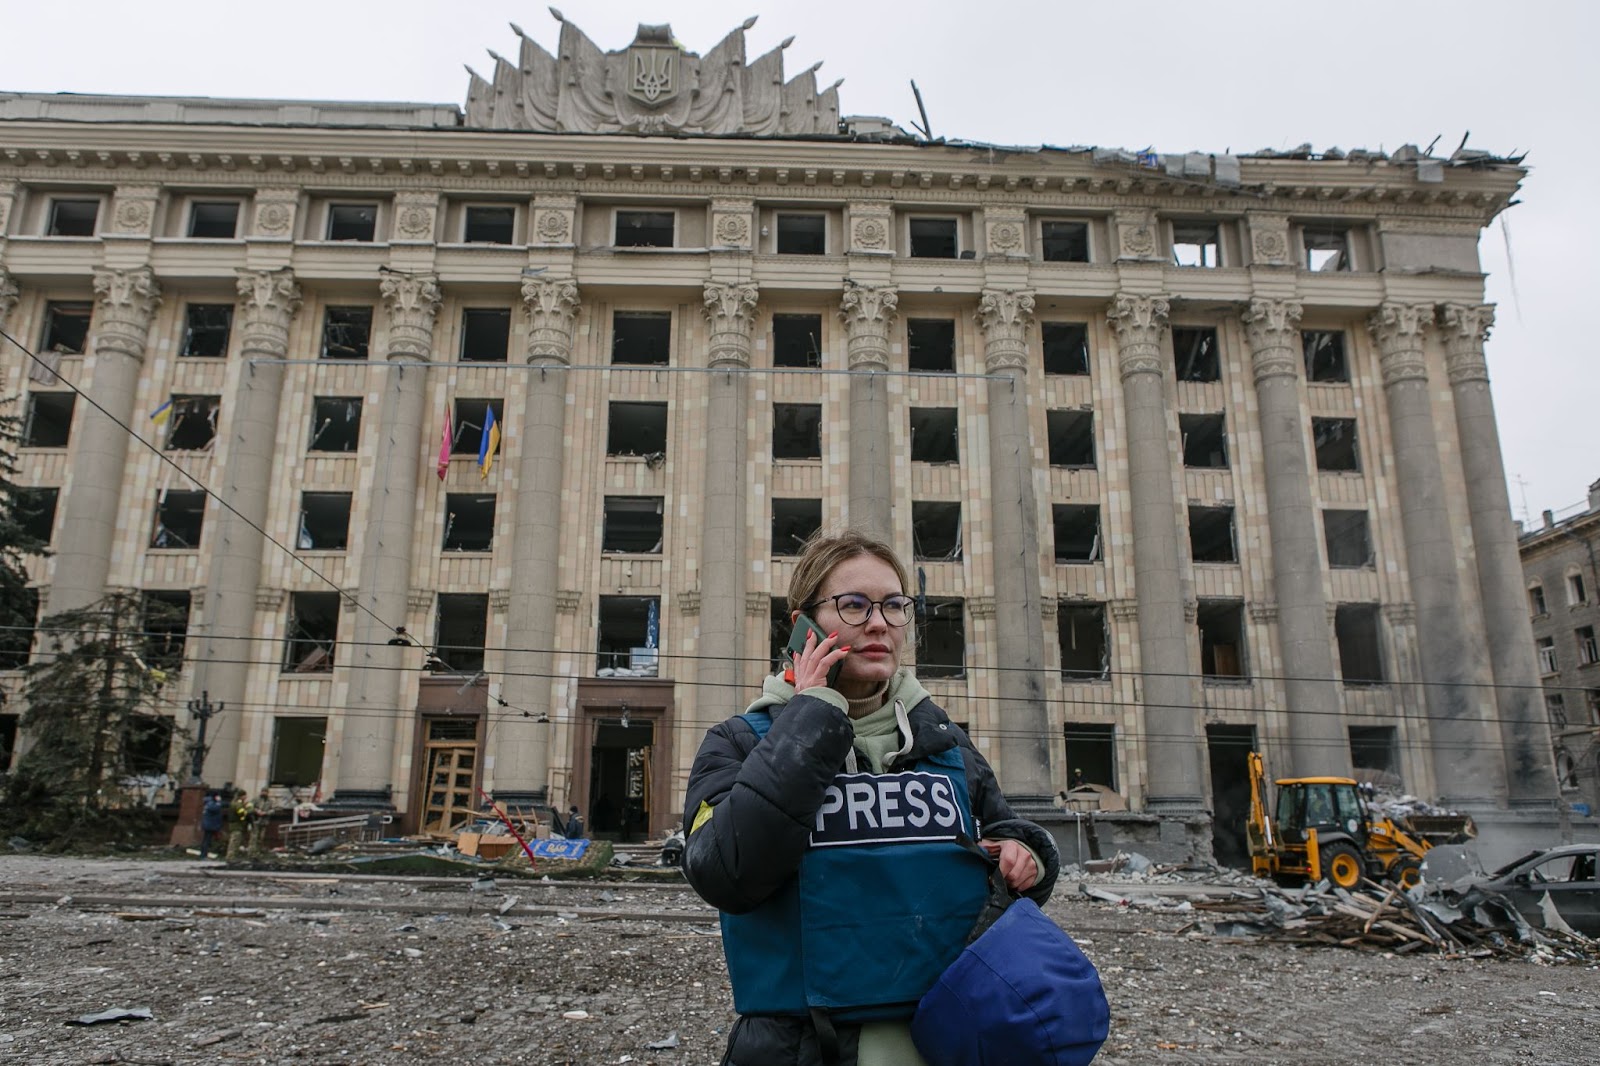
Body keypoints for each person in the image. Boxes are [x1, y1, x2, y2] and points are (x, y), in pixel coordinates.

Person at [683, 529, 1060, 1065]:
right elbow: (722, 871)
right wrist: (811, 718)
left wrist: (1029, 858)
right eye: (854, 605)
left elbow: (1009, 835)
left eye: (893, 605)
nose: (879, 622)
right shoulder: (740, 742)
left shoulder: (944, 741)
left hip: (944, 1037)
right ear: (803, 626)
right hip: (803, 1049)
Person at [198, 792, 225, 859]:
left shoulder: (209, 802)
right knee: (206, 841)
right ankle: (203, 856)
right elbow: (216, 808)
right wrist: (219, 802)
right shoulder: (211, 803)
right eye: (218, 797)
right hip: (210, 825)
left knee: (207, 841)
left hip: (210, 824)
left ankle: (204, 855)